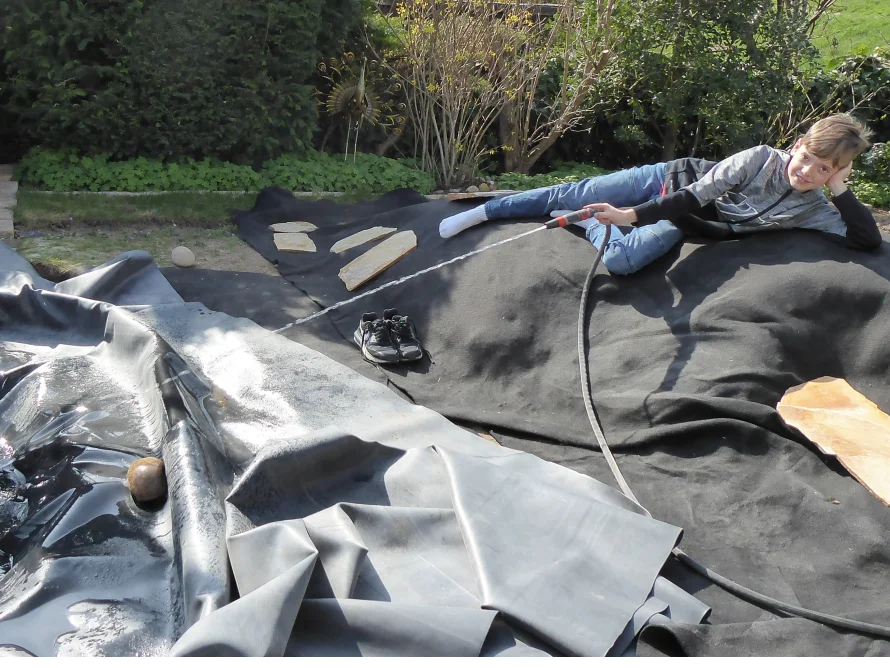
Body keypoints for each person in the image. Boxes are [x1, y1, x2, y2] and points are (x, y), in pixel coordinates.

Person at [438, 114, 883, 274]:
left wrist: (839, 188)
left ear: (836, 172)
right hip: (669, 183)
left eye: (824, 169)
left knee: (621, 260)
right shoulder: (760, 158)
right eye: (806, 157)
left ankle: (589, 221)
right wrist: (631, 214)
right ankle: (487, 211)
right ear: (799, 145)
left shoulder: (814, 207)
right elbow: (695, 193)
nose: (806, 171)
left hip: (689, 218)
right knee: (580, 190)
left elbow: (867, 239)